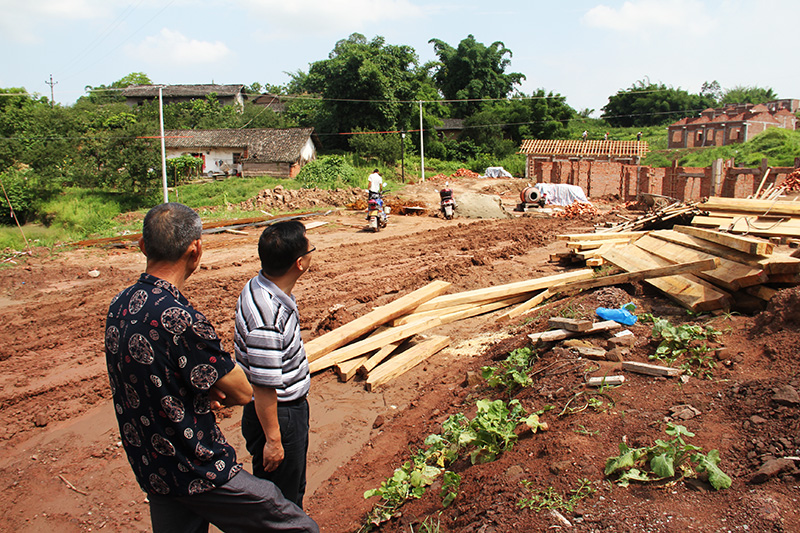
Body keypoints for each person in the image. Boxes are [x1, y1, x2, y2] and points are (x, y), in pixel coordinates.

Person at [104, 203, 318, 533]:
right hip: (197, 466)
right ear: (196, 250)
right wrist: (218, 392)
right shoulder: (180, 318)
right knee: (298, 527)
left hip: (152, 467)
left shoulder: (119, 304)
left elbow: (158, 377)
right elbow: (243, 391)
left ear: (143, 246)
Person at [235, 221, 314, 509]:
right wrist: (274, 440)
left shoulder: (261, 286)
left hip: (282, 412)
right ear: (299, 263)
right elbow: (263, 387)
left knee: (289, 489)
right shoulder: (267, 319)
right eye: (310, 247)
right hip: (279, 415)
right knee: (282, 502)